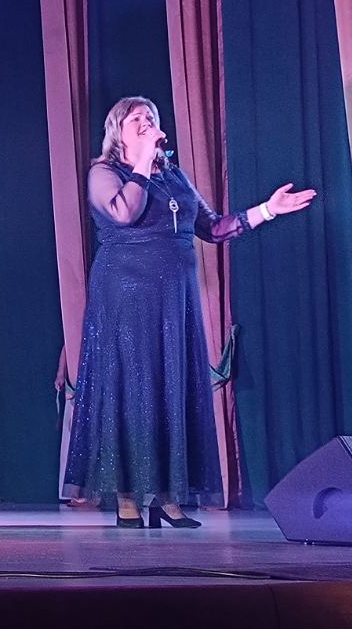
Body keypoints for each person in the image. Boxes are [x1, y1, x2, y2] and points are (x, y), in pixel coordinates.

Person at [64, 96, 316, 528]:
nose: (146, 122)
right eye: (136, 118)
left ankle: (166, 496)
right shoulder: (104, 173)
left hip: (173, 298)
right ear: (117, 130)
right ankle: (127, 495)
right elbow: (124, 213)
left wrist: (267, 210)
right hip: (125, 296)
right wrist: (142, 162)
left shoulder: (173, 176)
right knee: (133, 388)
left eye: (151, 117)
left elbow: (213, 227)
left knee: (169, 386)